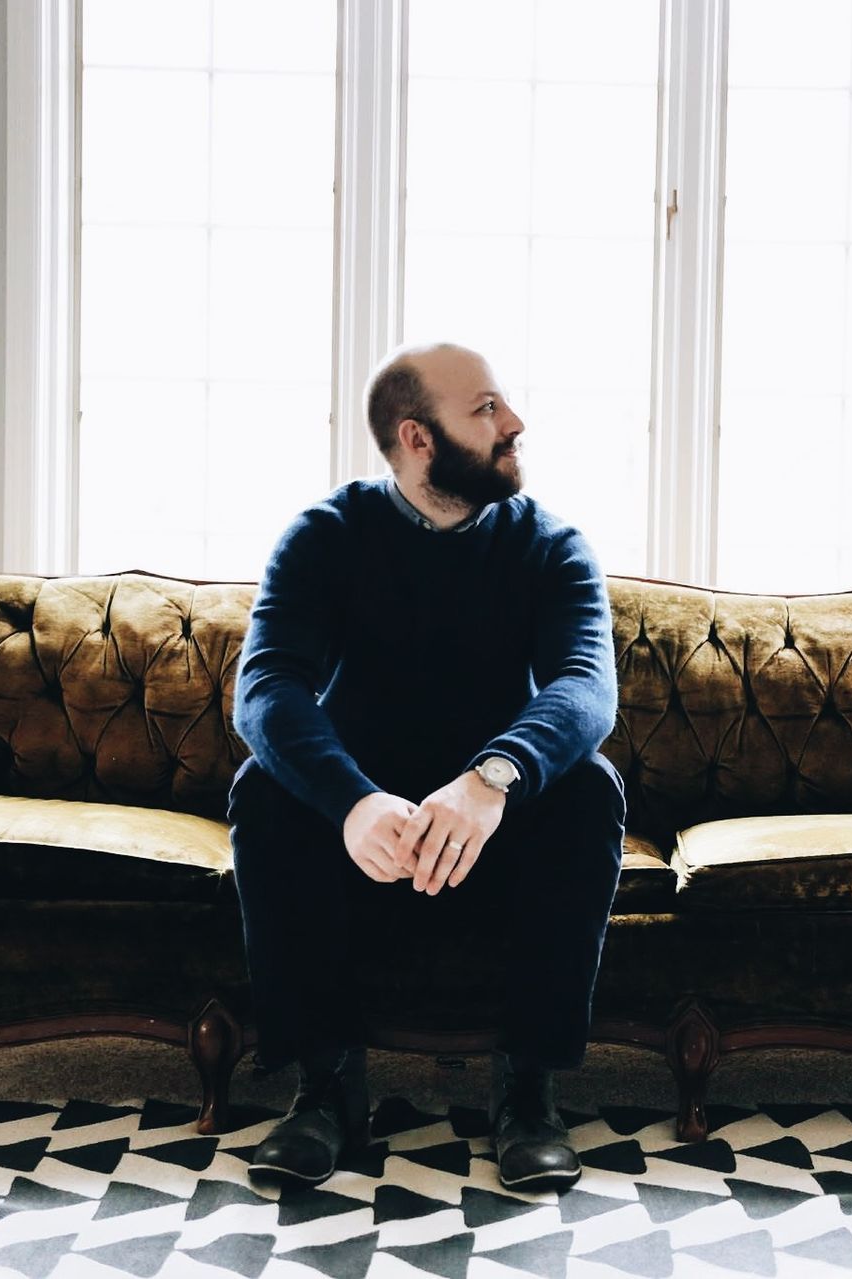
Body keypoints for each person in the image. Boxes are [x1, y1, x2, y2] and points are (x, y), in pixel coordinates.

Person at [229, 342, 625, 1190]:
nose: (513, 423)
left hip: (494, 837)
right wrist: (352, 803)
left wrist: (493, 779)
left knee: (591, 786)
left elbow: (586, 687)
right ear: (417, 437)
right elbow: (263, 686)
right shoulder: (325, 536)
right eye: (485, 409)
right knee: (262, 788)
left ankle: (528, 1091)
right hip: (370, 838)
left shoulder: (551, 545)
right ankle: (326, 1088)